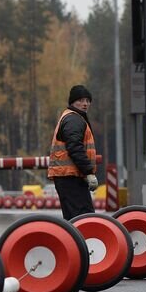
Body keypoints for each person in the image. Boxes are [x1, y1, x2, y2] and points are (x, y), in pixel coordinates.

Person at [48, 85, 98, 219]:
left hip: (69, 176)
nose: (85, 104)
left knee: (74, 218)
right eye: (80, 100)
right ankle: (81, 240)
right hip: (70, 177)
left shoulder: (73, 118)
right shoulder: (74, 119)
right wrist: (88, 172)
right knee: (83, 218)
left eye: (88, 100)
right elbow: (75, 147)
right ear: (72, 102)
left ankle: (74, 240)